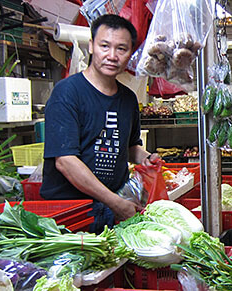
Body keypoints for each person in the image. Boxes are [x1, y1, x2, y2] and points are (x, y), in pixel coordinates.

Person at [40, 15, 158, 233]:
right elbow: (65, 161)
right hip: (73, 214)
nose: (112, 56)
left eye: (121, 49)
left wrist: (147, 158)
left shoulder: (128, 99)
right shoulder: (67, 93)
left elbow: (129, 147)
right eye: (105, 46)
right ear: (92, 46)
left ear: (130, 53)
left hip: (113, 205)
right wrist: (115, 203)